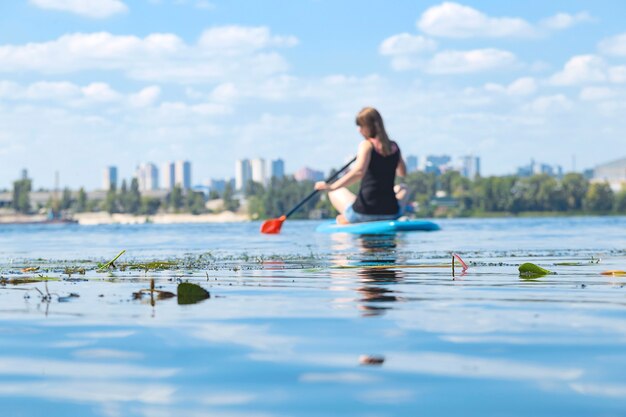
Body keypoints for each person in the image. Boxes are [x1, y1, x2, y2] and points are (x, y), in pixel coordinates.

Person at [315, 107, 408, 224]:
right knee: (403, 188)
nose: (359, 130)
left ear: (371, 126)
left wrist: (331, 187)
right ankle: (349, 217)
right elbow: (402, 172)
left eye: (361, 126)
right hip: (391, 213)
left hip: (363, 213)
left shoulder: (366, 145)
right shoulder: (394, 146)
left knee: (335, 192)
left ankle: (347, 218)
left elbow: (359, 172)